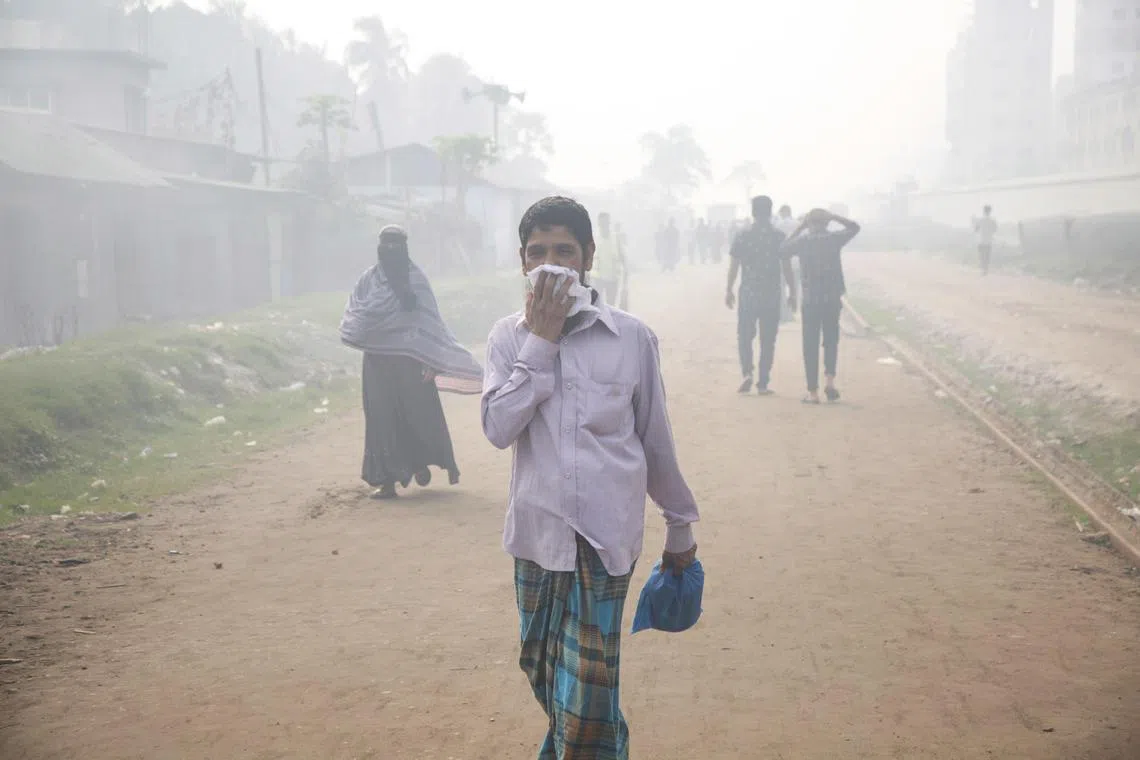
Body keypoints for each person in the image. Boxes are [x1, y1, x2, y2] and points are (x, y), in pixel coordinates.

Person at [482, 196, 700, 759]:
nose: (550, 264)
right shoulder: (507, 339)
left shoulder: (631, 338)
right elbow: (499, 427)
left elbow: (655, 439)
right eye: (537, 254)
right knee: (547, 673)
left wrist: (680, 526)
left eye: (564, 252)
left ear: (588, 258)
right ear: (521, 263)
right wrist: (542, 340)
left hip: (605, 539)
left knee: (583, 698)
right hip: (536, 536)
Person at [339, 225, 483, 499]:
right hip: (378, 364)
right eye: (386, 245)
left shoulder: (416, 281)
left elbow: (431, 324)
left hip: (411, 363)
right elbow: (356, 313)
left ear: (404, 248)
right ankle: (388, 481)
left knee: (415, 416)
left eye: (395, 245)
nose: (390, 250)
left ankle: (418, 464)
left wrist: (433, 361)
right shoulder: (368, 280)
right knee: (382, 420)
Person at [782, 208, 861, 404]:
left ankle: (813, 392)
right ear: (826, 223)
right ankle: (830, 381)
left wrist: (800, 227)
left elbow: (782, 250)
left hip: (811, 299)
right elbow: (854, 227)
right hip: (832, 298)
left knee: (810, 344)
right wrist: (834, 216)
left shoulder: (803, 242)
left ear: (810, 224)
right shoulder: (833, 239)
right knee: (831, 340)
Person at [726, 195, 797, 395]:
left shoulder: (742, 235)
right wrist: (792, 292)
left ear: (753, 212)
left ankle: (747, 373)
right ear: (770, 211)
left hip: (748, 293)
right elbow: (787, 268)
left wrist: (729, 289)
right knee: (768, 339)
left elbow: (734, 266)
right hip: (771, 294)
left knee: (745, 336)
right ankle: (763, 382)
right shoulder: (778, 237)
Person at [593, 211, 628, 310]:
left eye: (606, 223)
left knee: (611, 305)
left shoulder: (616, 238)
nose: (604, 226)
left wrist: (625, 274)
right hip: (597, 278)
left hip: (613, 278)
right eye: (602, 223)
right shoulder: (593, 238)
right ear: (599, 224)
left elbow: (622, 257)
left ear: (609, 223)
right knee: (596, 305)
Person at [774, 205, 800, 323]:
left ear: (782, 212)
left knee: (781, 289)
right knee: (794, 288)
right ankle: (793, 312)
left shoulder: (778, 225)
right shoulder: (798, 224)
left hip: (782, 262)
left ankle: (784, 315)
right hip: (796, 261)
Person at [973, 205, 997, 275]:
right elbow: (995, 230)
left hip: (981, 241)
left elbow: (976, 229)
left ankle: (983, 269)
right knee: (987, 256)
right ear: (990, 211)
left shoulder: (980, 220)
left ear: (984, 211)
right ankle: (985, 269)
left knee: (981, 256)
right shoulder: (993, 220)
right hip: (989, 241)